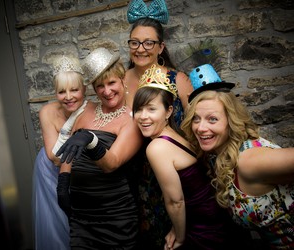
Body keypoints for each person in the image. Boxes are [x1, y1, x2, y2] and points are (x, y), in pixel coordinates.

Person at [181, 64, 294, 249]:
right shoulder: (217, 153)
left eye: (212, 119)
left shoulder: (249, 161)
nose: (200, 128)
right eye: (196, 118)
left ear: (231, 121)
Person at [132, 64, 230, 249]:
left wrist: (180, 235)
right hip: (213, 215)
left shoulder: (156, 147)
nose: (143, 116)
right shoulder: (178, 135)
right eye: (138, 109)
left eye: (151, 109)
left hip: (203, 226)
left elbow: (175, 201)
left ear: (168, 111)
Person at [55, 47, 143, 249]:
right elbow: (69, 151)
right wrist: (63, 184)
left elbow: (111, 164)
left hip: (115, 214)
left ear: (122, 80)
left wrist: (90, 139)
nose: (107, 91)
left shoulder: (131, 119)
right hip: (81, 215)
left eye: (112, 82)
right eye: (100, 86)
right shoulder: (86, 110)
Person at [124, 1, 194, 248]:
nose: (140, 49)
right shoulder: (119, 83)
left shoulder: (178, 80)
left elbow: (197, 125)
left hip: (177, 176)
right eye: (134, 42)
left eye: (148, 42)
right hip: (139, 181)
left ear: (161, 46)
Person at [32, 55, 88, 250]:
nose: (69, 96)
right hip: (50, 169)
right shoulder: (46, 112)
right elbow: (54, 156)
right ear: (55, 92)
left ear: (84, 89)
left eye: (74, 89)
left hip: (79, 170)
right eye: (61, 91)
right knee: (56, 219)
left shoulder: (91, 111)